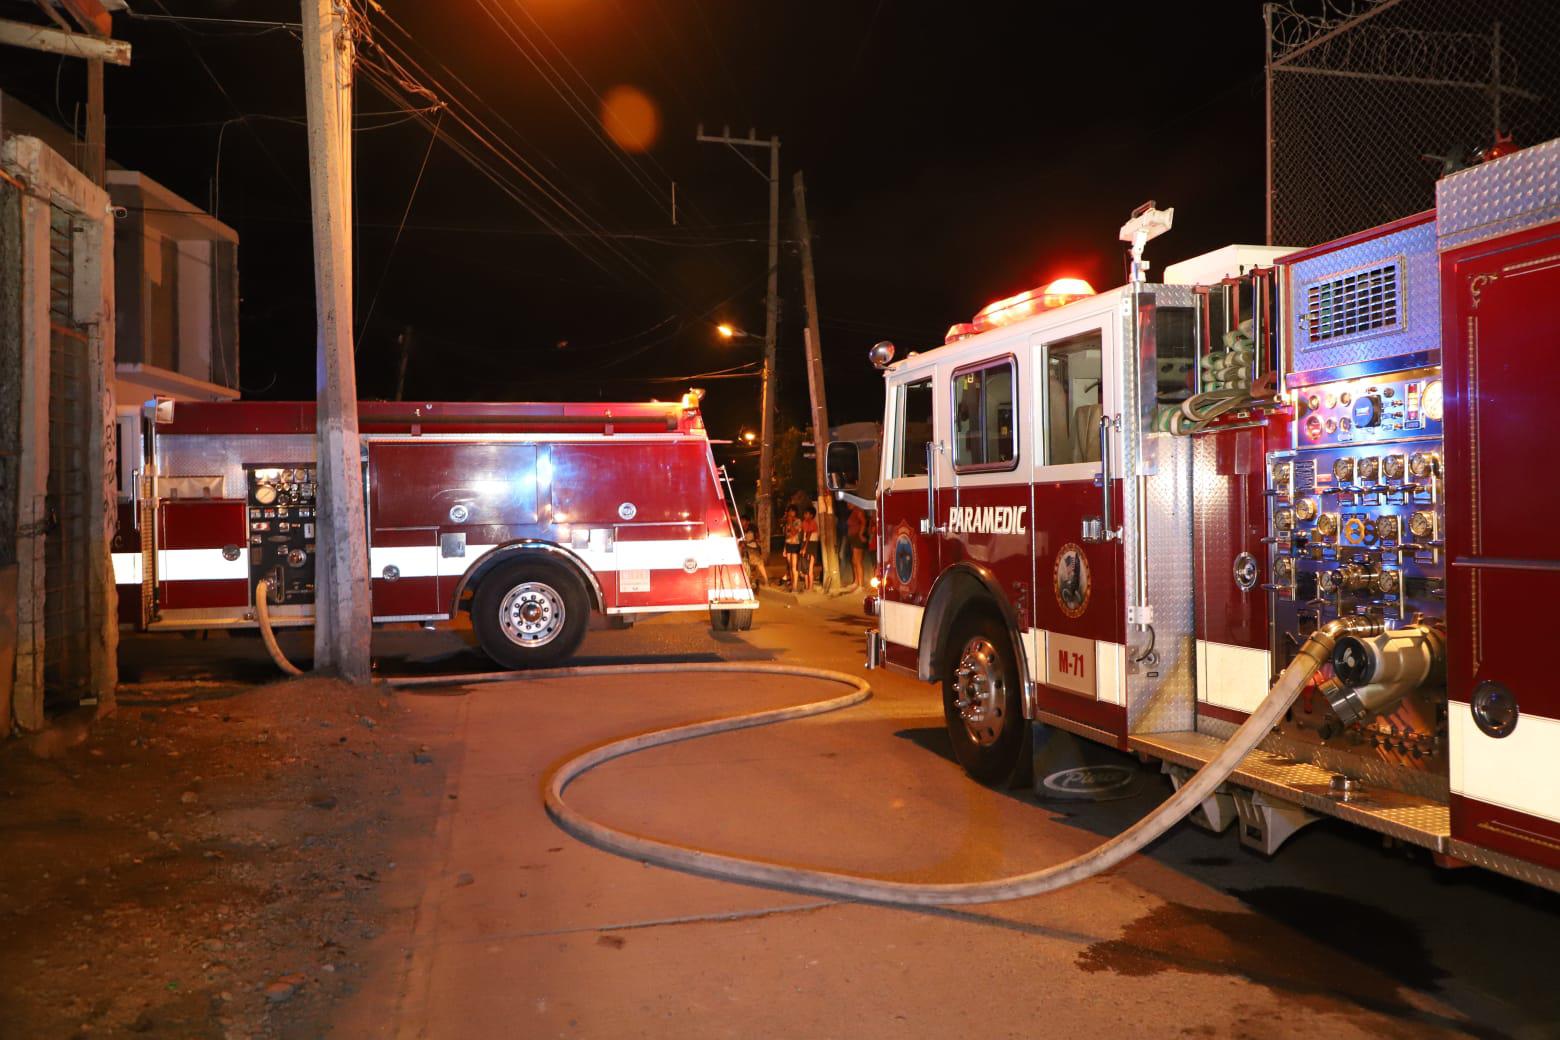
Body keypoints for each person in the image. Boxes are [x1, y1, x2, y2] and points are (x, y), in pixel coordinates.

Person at [841, 503, 869, 592]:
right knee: (853, 561)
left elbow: (864, 522)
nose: (848, 505)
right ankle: (856, 582)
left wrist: (861, 534)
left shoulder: (859, 510)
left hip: (857, 537)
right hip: (853, 538)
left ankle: (860, 585)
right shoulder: (853, 512)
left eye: (849, 503)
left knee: (858, 561)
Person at [781, 506, 802, 590]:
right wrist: (784, 549)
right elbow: (786, 536)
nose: (791, 513)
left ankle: (795, 586)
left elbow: (794, 533)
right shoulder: (787, 522)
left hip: (795, 545)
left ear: (795, 512)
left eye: (792, 511)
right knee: (789, 566)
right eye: (790, 511)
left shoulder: (798, 521)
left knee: (794, 566)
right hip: (788, 545)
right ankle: (792, 583)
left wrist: (790, 523)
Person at [801, 506, 820, 592]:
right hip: (807, 543)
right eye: (804, 513)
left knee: (810, 567)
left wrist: (804, 547)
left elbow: (808, 535)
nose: (805, 515)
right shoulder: (804, 522)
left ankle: (810, 586)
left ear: (811, 515)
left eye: (807, 513)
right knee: (805, 567)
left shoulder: (812, 523)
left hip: (811, 544)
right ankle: (807, 585)